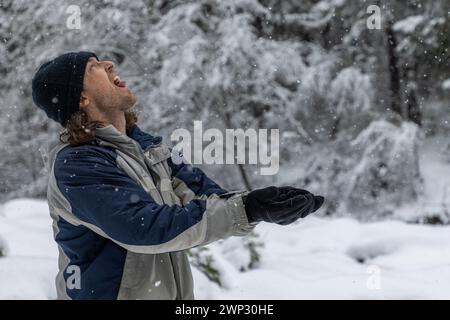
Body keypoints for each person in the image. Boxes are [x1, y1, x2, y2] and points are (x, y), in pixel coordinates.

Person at [31, 51, 324, 300]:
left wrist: (263, 204)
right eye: (93, 67)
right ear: (81, 98)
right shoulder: (78, 164)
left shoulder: (150, 149)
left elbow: (206, 196)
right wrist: (246, 209)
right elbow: (143, 228)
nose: (109, 64)